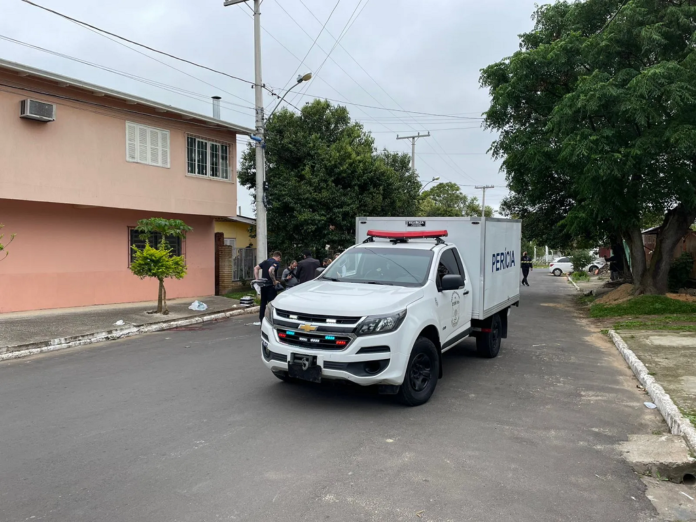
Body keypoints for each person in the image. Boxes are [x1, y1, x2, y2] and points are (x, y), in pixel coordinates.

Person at [253, 251, 281, 325]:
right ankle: (272, 321)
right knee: (272, 303)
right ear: (278, 257)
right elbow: (271, 270)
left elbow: (256, 268)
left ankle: (262, 320)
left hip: (263, 285)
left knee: (263, 303)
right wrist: (274, 281)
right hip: (270, 286)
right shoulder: (275, 263)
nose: (279, 260)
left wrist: (257, 280)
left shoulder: (265, 262)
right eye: (279, 259)